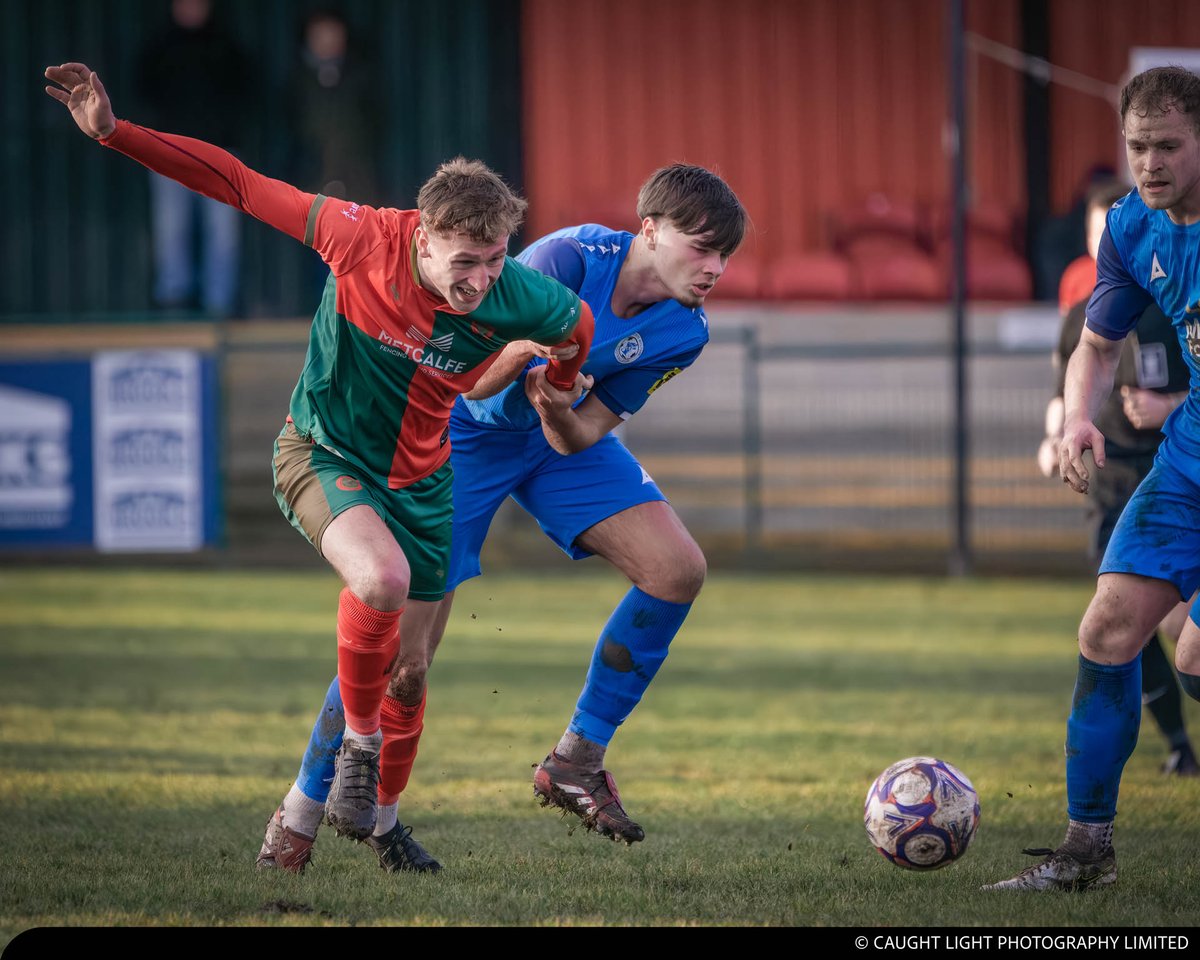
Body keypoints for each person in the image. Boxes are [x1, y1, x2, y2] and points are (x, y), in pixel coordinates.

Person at [43, 61, 593, 871]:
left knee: (410, 670)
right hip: (321, 454)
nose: (482, 280)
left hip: (424, 482)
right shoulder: (357, 234)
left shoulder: (523, 296)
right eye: (464, 261)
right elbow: (234, 180)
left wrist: (559, 386)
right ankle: (354, 756)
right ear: (422, 235)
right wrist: (116, 133)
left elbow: (571, 328)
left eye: (496, 259)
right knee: (379, 582)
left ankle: (381, 825)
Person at [258, 165, 748, 873]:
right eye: (701, 247)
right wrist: (523, 365)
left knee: (678, 571)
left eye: (724, 255)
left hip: (552, 446)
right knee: (403, 659)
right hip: (459, 439)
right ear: (649, 230)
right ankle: (300, 813)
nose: (715, 269)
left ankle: (577, 759)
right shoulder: (566, 259)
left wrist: (554, 405)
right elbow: (466, 374)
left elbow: (584, 433)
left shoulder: (685, 331)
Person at [985, 65, 1200, 892]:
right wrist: (1079, 415)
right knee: (1108, 629)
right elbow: (1097, 346)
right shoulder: (1130, 227)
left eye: (1169, 146)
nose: (1149, 163)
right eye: (1137, 146)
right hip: (1189, 457)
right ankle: (1085, 855)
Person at [1037, 179, 1199, 779]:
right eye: (1101, 231)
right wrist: (1060, 430)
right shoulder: (1085, 315)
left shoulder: (1173, 305)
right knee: (1113, 623)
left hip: (1165, 460)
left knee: (1183, 636)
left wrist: (1171, 407)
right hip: (1113, 482)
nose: (1115, 240)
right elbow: (1067, 382)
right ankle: (1174, 746)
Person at [136, 0, 251, 316]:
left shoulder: (226, 45)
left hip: (220, 153)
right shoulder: (160, 47)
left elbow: (246, 91)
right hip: (168, 153)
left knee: (223, 232)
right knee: (171, 228)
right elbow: (143, 90)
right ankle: (174, 303)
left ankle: (220, 305)